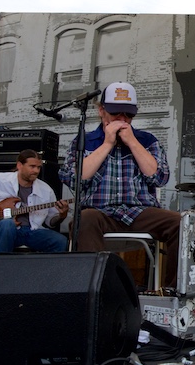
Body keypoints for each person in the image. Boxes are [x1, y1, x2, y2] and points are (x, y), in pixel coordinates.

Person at [59, 81, 181, 289]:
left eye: (128, 115)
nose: (123, 120)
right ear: (101, 111)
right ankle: (95, 291)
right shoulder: (86, 141)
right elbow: (76, 179)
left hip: (140, 211)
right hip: (99, 212)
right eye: (116, 114)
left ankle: (173, 292)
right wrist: (107, 144)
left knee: (181, 223)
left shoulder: (147, 140)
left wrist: (133, 142)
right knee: (84, 219)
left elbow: (159, 177)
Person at [0, 149, 69, 252]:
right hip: (1, 231)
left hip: (32, 232)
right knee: (7, 224)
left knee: (60, 241)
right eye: (32, 166)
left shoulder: (46, 190)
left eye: (38, 167)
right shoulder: (0, 179)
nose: (36, 171)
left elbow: (50, 222)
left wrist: (62, 216)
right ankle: (1, 265)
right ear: (19, 165)